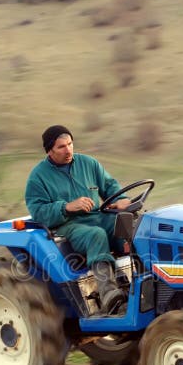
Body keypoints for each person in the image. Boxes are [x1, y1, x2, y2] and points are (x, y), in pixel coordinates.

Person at [25, 125, 131, 314]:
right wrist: (66, 207)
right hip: (69, 225)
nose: (68, 150)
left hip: (98, 216)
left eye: (70, 144)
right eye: (61, 147)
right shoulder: (38, 177)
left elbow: (109, 186)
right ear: (50, 150)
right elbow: (38, 211)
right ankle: (108, 293)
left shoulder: (88, 163)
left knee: (130, 225)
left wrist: (120, 199)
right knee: (96, 235)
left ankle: (140, 281)